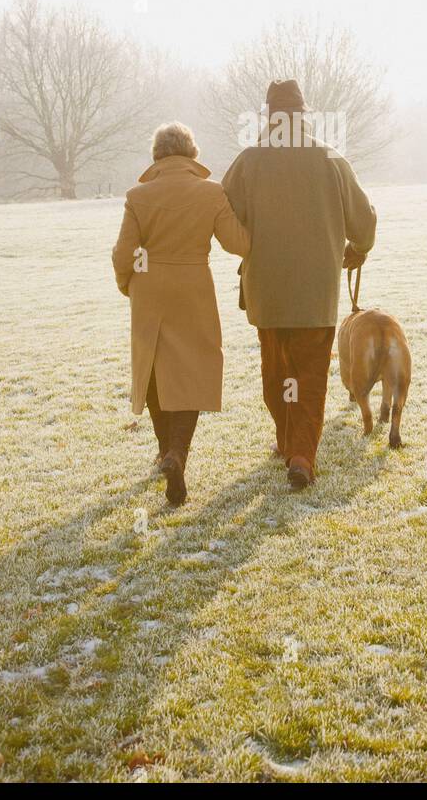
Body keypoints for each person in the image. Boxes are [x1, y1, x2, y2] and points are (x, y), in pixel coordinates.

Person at [222, 80, 377, 490]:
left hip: (267, 291)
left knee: (276, 373)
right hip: (315, 294)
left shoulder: (249, 161)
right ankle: (302, 455)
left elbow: (223, 216)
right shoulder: (330, 159)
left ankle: (287, 442)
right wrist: (358, 248)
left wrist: (247, 248)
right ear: (304, 115)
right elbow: (364, 219)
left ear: (269, 117)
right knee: (310, 375)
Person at [112, 122, 250, 505]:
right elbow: (237, 243)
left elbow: (124, 254)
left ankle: (163, 451)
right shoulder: (210, 192)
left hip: (149, 288)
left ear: (156, 156)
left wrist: (128, 285)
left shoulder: (138, 196)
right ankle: (178, 452)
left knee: (155, 367)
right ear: (192, 155)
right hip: (194, 288)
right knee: (192, 369)